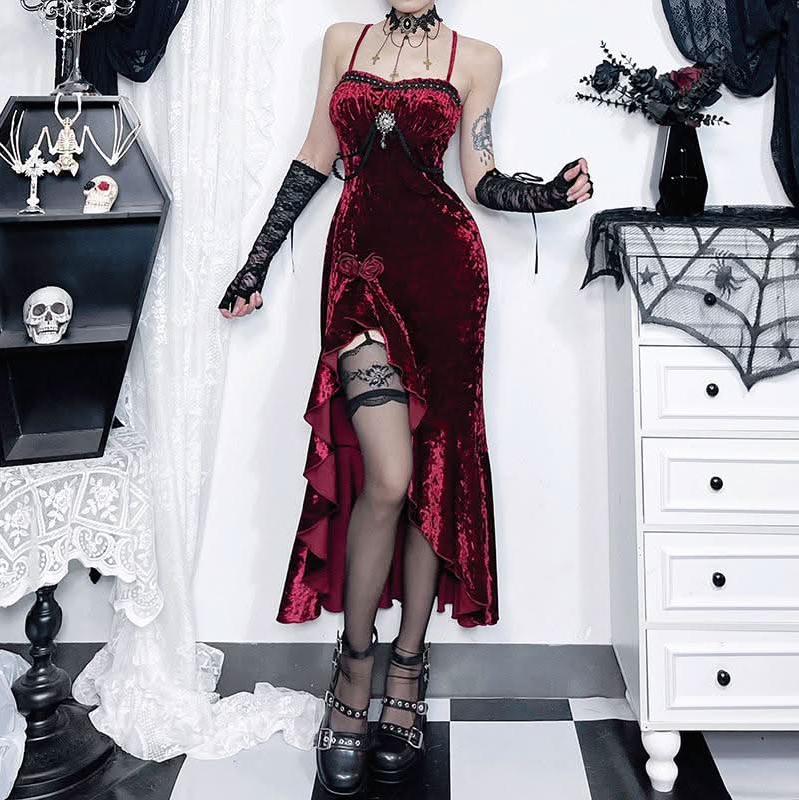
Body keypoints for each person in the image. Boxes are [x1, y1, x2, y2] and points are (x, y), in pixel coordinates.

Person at [219, 3, 593, 794]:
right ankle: (354, 669)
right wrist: (255, 264)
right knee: (388, 477)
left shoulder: (476, 57)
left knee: (434, 476)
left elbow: (482, 178)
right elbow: (314, 156)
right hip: (358, 271)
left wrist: (548, 197)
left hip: (447, 279)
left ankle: (408, 671)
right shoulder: (342, 42)